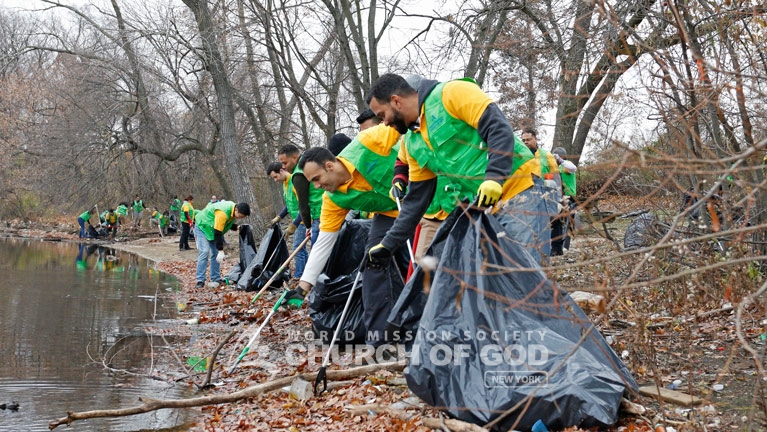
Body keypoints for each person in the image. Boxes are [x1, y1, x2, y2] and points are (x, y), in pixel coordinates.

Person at [367, 73, 547, 265]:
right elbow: (416, 200)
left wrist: (494, 177)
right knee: (497, 281)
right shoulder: (412, 143)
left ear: (396, 101)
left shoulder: (451, 93)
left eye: (382, 115)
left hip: (520, 190)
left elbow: (497, 127)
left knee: (524, 273)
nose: (384, 122)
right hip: (487, 206)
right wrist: (389, 243)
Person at [285, 125, 409, 349]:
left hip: (425, 198)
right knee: (373, 262)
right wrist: (303, 286)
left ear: (330, 165)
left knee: (422, 262)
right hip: (390, 214)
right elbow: (323, 242)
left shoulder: (368, 141)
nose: (316, 186)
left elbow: (406, 128)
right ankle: (380, 342)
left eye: (317, 178)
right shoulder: (333, 199)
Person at [278, 144, 325, 276]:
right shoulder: (310, 163)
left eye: (285, 162)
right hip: (325, 211)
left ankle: (316, 283)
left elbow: (303, 205)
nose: (283, 166)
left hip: (318, 215)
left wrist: (308, 226)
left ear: (295, 157)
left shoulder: (298, 174)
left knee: (317, 254)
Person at [521, 127, 562, 258]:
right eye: (523, 140)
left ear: (535, 139)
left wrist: (559, 197)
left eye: (528, 139)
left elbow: (556, 176)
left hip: (547, 192)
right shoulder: (520, 155)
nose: (526, 142)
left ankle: (556, 248)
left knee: (553, 220)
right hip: (527, 194)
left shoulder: (546, 155)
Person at [193, 200, 250, 288]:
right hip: (203, 226)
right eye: (240, 216)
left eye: (242, 217)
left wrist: (237, 227)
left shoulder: (232, 210)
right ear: (236, 210)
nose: (240, 218)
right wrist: (220, 249)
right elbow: (218, 232)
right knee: (204, 252)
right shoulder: (222, 213)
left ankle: (215, 278)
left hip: (212, 228)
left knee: (215, 254)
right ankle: (200, 280)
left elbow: (226, 223)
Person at [267, 161, 308, 278]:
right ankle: (308, 272)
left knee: (297, 249)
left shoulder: (294, 182)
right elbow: (289, 205)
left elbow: (303, 205)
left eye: (275, 177)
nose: (275, 180)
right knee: (302, 249)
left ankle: (299, 275)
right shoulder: (285, 183)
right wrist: (279, 216)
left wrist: (294, 225)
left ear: (281, 170)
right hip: (298, 219)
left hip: (303, 220)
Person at [550, 147, 578, 255]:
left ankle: (565, 247)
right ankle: (556, 248)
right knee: (556, 222)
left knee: (568, 223)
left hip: (569, 197)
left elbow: (573, 168)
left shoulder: (566, 165)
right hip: (557, 198)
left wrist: (561, 161)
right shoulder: (553, 168)